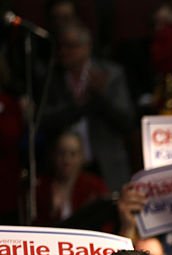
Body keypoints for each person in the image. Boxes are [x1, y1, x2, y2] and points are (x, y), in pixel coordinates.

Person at [38, 20, 134, 191]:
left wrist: (100, 97)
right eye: (60, 47)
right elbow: (44, 122)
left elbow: (126, 123)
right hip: (64, 171)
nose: (63, 52)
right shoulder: (52, 78)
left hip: (106, 166)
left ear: (87, 47)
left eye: (70, 46)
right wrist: (81, 105)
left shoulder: (111, 74)